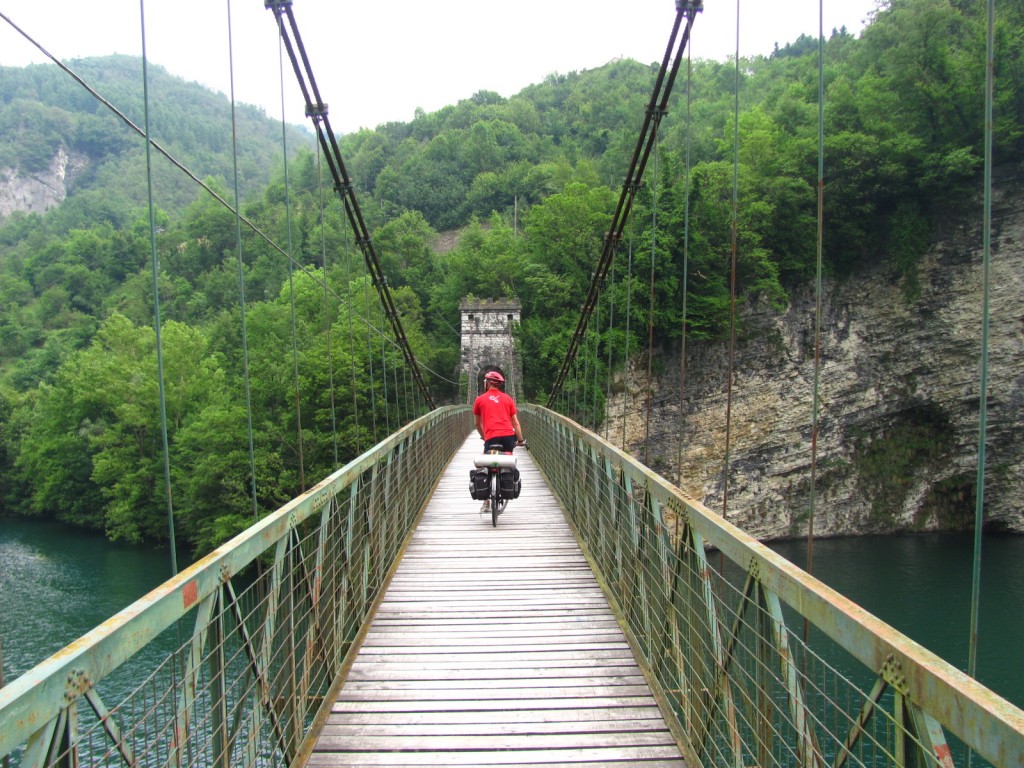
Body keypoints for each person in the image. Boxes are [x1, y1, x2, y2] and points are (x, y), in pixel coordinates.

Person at [473, 371, 524, 453]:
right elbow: (515, 423)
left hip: (491, 437)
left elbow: (477, 424)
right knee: (508, 460)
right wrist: (520, 440)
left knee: (487, 461)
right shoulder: (508, 398)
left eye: (485, 381)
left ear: (488, 383)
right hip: (509, 437)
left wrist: (484, 437)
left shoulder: (479, 399)